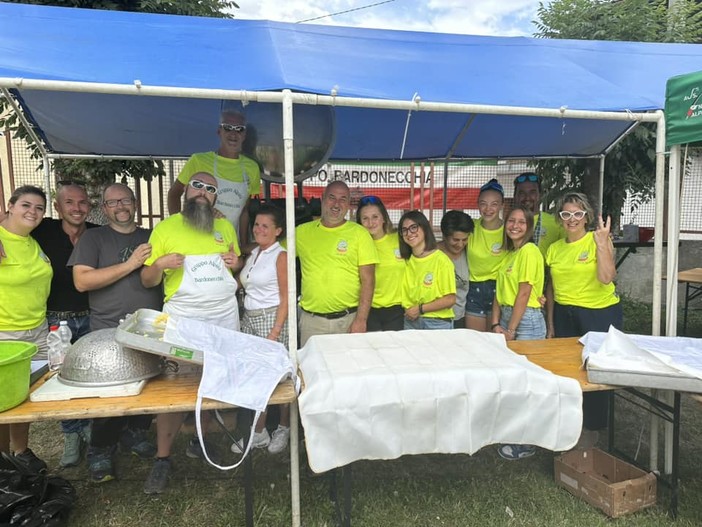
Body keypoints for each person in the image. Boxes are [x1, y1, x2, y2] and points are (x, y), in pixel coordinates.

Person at [141, 172, 241, 494]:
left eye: (211, 189)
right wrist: (159, 265)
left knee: (215, 382)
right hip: (184, 321)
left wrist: (235, 262)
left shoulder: (224, 227)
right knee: (171, 389)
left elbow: (233, 266)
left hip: (224, 319)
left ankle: (201, 440)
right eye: (198, 185)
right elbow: (146, 280)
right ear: (186, 191)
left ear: (215, 197)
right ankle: (162, 459)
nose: (203, 192)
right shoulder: (166, 228)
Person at [69, 183, 162, 483]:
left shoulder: (153, 236)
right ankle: (101, 448)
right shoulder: (93, 238)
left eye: (125, 200)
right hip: (108, 326)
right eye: (113, 202)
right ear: (104, 207)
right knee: (109, 393)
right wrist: (131, 263)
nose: (120, 206)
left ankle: (135, 434)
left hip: (150, 325)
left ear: (134, 203)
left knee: (149, 384)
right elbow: (82, 282)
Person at [546, 192, 621, 445]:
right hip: (564, 312)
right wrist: (551, 322)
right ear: (560, 218)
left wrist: (601, 243)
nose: (572, 219)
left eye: (577, 214)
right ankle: (571, 423)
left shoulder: (598, 239)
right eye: (566, 214)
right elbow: (551, 289)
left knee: (596, 370)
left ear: (587, 216)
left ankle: (595, 427)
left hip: (598, 313)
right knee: (568, 370)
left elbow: (607, 277)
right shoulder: (554, 249)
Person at [31, 182, 95, 468]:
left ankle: (90, 426)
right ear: (57, 207)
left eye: (82, 202)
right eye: (70, 202)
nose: (77, 208)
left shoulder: (97, 234)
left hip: (92, 315)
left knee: (91, 373)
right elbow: (9, 222)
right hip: (56, 319)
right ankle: (71, 432)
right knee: (61, 377)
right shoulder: (42, 230)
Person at [0, 186, 52, 473]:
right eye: (25, 205)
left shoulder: (33, 241)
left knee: (25, 396)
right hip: (5, 334)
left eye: (39, 208)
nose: (32, 212)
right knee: (3, 400)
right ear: (10, 206)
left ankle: (21, 451)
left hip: (37, 331)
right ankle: (2, 459)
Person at [231, 204, 290, 455]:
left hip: (271, 319)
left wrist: (275, 332)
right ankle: (260, 432)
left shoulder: (281, 256)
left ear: (278, 230)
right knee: (258, 378)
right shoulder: (255, 253)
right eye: (256, 224)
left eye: (266, 226)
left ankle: (284, 428)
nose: (259, 229)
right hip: (251, 319)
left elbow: (287, 296)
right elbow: (241, 284)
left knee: (280, 378)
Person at [491, 206, 546, 461]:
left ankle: (527, 442)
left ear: (529, 226)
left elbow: (524, 293)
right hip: (507, 317)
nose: (514, 225)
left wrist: (511, 329)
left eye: (521, 222)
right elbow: (499, 294)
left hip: (525, 322)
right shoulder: (509, 254)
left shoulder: (530, 251)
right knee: (513, 381)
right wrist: (495, 324)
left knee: (527, 383)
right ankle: (516, 434)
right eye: (511, 221)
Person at [296, 180, 378, 346]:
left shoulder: (359, 234)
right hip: (312, 322)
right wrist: (242, 249)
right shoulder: (301, 232)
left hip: (348, 321)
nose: (336, 204)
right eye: (332, 197)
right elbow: (273, 250)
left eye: (342, 199)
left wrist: (361, 320)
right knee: (311, 370)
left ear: (348, 204)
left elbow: (368, 280)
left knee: (349, 369)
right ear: (322, 198)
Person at [167, 110, 261, 245]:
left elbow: (244, 211)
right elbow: (174, 194)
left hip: (229, 244)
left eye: (239, 129)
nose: (233, 134)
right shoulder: (198, 160)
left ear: (244, 135)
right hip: (196, 240)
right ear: (219, 131)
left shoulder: (252, 168)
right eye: (228, 128)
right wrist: (178, 227)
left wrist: (243, 246)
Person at [398, 210, 456, 330]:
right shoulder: (406, 261)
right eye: (404, 230)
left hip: (437, 323)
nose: (409, 233)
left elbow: (450, 299)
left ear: (424, 228)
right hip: (410, 320)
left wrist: (420, 309)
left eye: (414, 227)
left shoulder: (441, 260)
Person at [356, 195, 405, 331]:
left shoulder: (400, 239)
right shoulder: (357, 245)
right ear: (359, 222)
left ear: (384, 218)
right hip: (369, 310)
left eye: (375, 217)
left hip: (398, 310)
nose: (370, 223)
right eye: (365, 218)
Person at [466, 179, 506, 331]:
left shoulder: (510, 230)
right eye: (483, 203)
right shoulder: (470, 227)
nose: (488, 209)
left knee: (495, 342)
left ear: (502, 205)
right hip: (474, 288)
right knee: (475, 341)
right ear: (477, 205)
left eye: (494, 204)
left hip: (500, 289)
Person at [512, 172, 565, 256]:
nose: (527, 197)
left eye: (532, 192)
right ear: (515, 196)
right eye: (522, 193)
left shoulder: (556, 223)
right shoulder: (509, 225)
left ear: (540, 195)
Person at [438, 210, 474, 328]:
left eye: (464, 239)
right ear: (444, 235)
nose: (460, 244)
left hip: (460, 318)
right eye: (455, 240)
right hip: (436, 319)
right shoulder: (432, 254)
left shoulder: (470, 252)